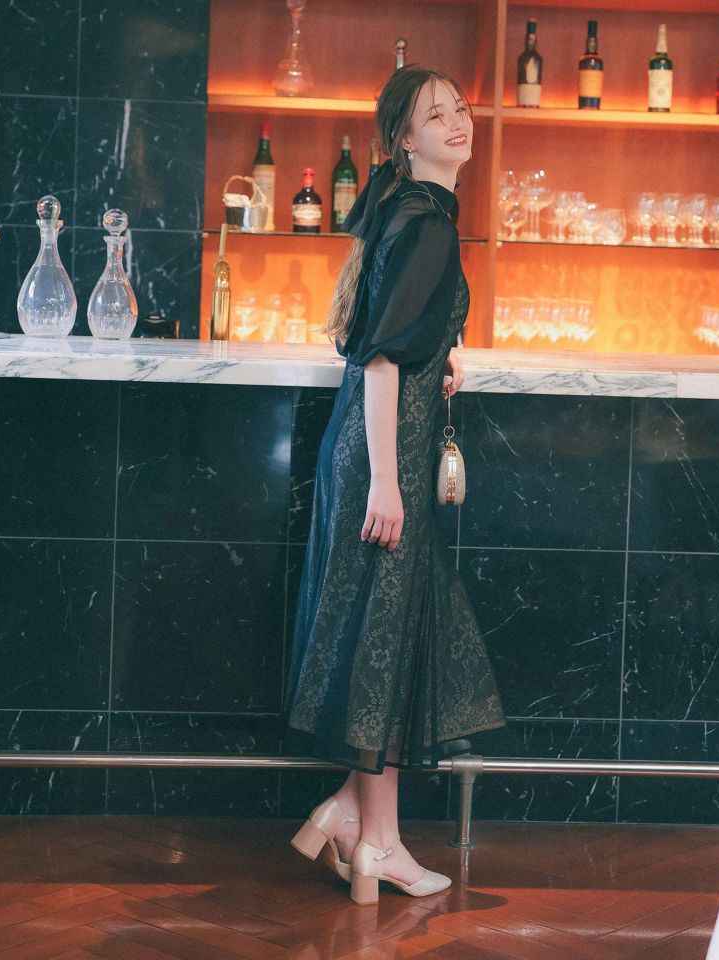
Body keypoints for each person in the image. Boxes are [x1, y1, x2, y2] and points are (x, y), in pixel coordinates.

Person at [281, 64, 507, 905]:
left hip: (380, 445)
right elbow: (377, 359)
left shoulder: (414, 210)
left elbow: (394, 339)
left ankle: (356, 818)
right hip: (386, 456)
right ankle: (374, 839)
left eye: (460, 109)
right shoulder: (426, 222)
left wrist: (440, 352)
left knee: (388, 637)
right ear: (404, 139)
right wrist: (386, 481)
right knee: (383, 642)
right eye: (435, 115)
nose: (458, 122)